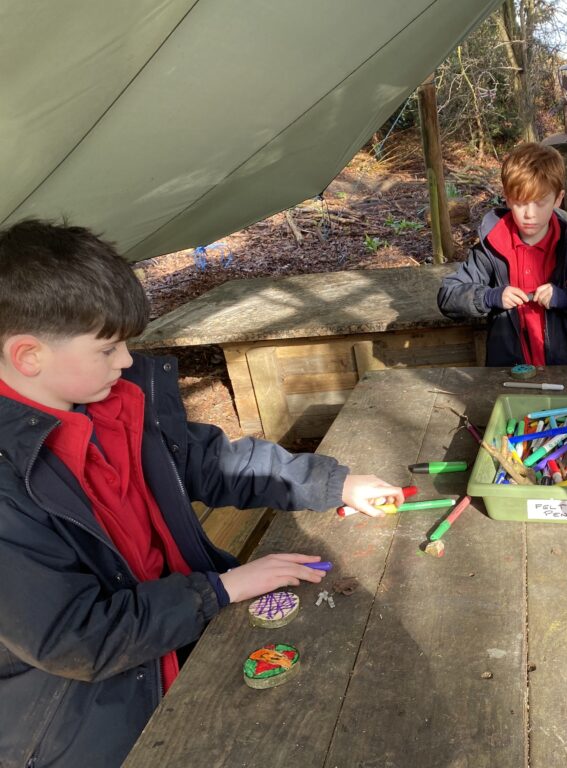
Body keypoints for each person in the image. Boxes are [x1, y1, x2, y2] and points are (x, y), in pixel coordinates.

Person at [0, 219, 405, 767]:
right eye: (108, 347)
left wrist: (333, 483)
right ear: (29, 356)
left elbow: (214, 462)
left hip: (187, 640)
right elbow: (75, 637)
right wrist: (216, 590)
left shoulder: (114, 405)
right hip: (92, 721)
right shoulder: (9, 485)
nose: (125, 361)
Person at [437, 141, 567, 366]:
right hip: (511, 374)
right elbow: (449, 296)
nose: (530, 214)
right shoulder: (491, 248)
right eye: (520, 203)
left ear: (558, 199)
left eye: (540, 203)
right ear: (507, 198)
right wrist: (490, 296)